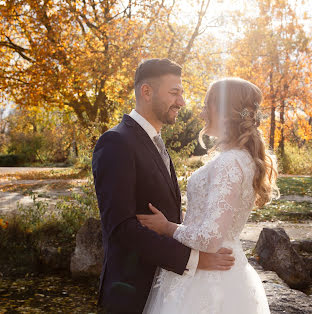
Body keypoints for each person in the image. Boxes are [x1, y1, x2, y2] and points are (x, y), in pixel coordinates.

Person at [92, 59, 236, 313]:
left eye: (181, 93)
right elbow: (121, 228)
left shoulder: (154, 142)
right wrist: (197, 260)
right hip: (131, 293)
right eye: (174, 93)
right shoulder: (116, 142)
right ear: (146, 92)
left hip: (165, 293)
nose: (181, 101)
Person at [137, 77, 279, 313]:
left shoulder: (229, 163)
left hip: (209, 279)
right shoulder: (242, 159)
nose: (202, 114)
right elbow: (218, 218)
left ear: (223, 111)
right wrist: (187, 216)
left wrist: (167, 227)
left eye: (206, 106)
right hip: (227, 272)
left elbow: (210, 239)